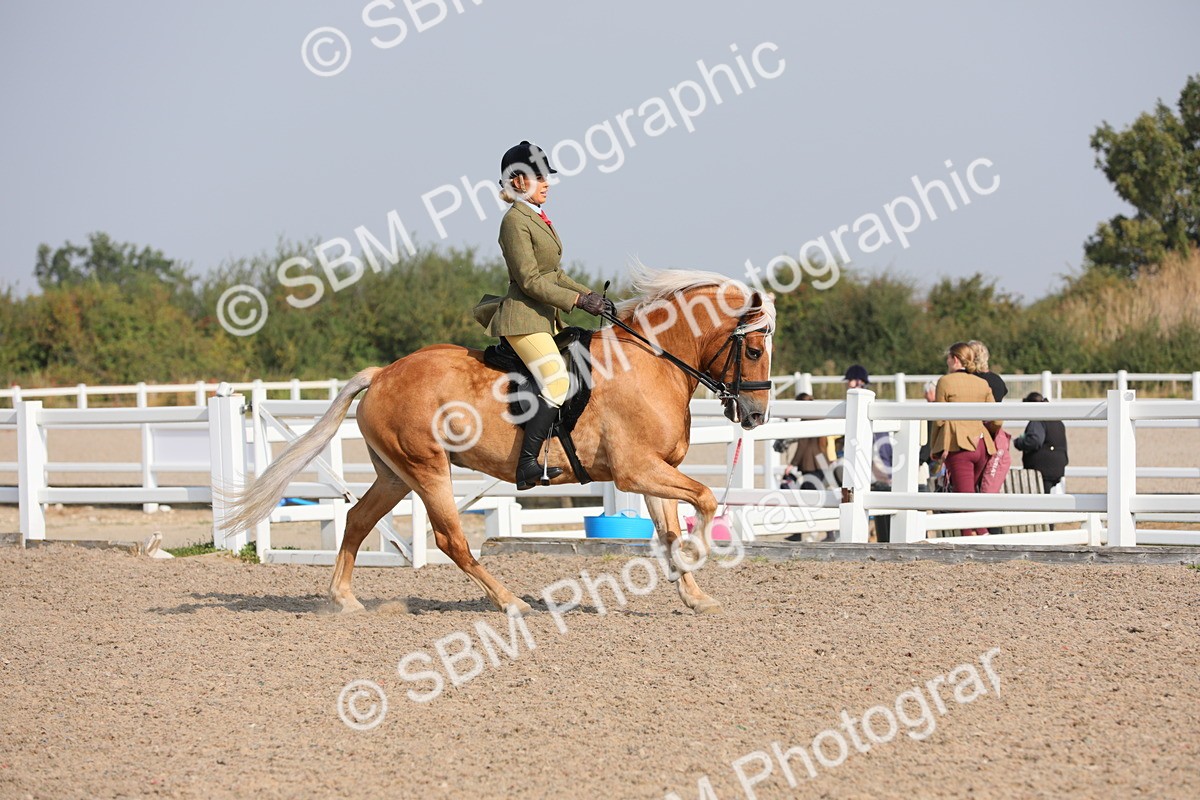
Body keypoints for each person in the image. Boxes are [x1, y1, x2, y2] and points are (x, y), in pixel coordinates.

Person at [473, 141, 613, 490]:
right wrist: (577, 301)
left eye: (546, 176)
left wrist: (590, 295)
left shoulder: (535, 217)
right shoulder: (514, 221)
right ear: (518, 181)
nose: (547, 182)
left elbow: (555, 273)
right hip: (523, 320)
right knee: (557, 380)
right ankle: (526, 464)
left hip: (544, 319)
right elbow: (530, 280)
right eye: (539, 177)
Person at [930, 342, 1001, 536]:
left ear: (955, 359)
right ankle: (979, 539)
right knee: (968, 498)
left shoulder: (945, 382)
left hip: (959, 446)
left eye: (948, 358)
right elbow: (997, 419)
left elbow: (939, 419)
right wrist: (987, 434)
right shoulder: (982, 384)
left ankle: (983, 538)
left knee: (964, 503)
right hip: (981, 445)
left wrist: (935, 448)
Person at [968, 340, 1010, 534]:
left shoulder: (970, 381)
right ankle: (993, 534)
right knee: (989, 490)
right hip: (995, 437)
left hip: (974, 438)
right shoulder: (997, 381)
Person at [1013, 392, 1069, 491]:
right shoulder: (1057, 421)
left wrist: (1019, 442)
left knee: (1040, 496)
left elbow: (1035, 440)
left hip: (1043, 467)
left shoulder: (1038, 420)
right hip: (1058, 466)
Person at [781, 392, 836, 489]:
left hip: (809, 462)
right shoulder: (819, 418)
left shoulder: (805, 422)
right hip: (822, 460)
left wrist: (792, 464)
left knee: (810, 490)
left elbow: (802, 445)